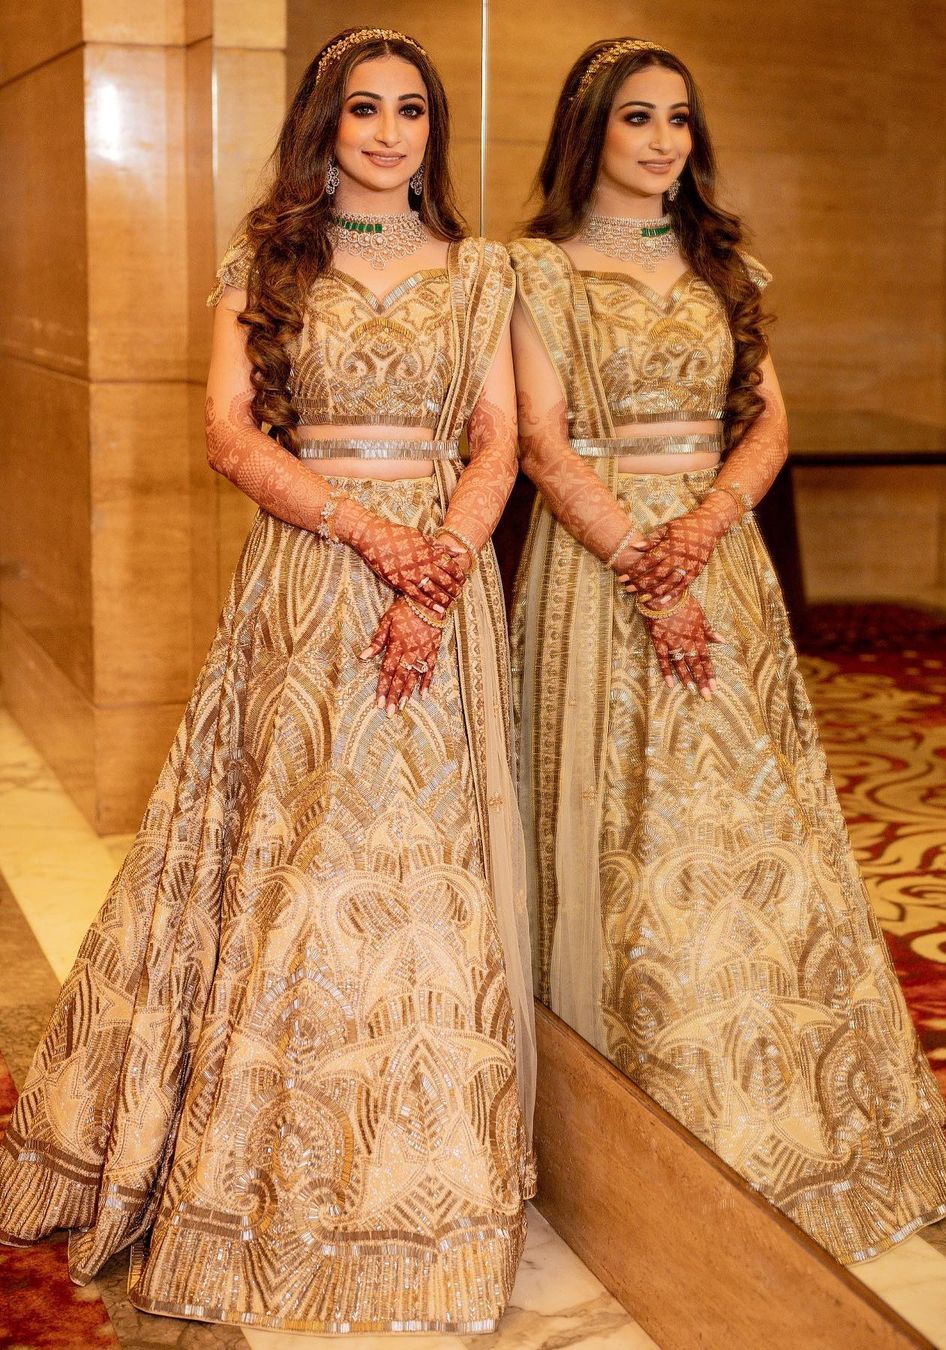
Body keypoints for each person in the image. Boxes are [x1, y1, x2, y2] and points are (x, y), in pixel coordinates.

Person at [0, 28, 535, 1334]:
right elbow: (228, 435)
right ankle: (264, 1155)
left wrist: (440, 566)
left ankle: (418, 1157)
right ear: (327, 121)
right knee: (301, 854)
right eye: (366, 107)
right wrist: (370, 538)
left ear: (433, 130)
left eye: (412, 110)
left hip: (443, 595)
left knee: (424, 864)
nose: (391, 131)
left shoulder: (483, 275)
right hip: (305, 581)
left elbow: (499, 442)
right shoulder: (270, 264)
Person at [508, 36, 946, 1265]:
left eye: (680, 122)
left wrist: (701, 530)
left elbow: (768, 425)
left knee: (743, 819)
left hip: (723, 566)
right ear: (590, 132)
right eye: (639, 120)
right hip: (595, 577)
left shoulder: (721, 265)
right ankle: (609, 1113)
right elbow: (544, 448)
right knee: (618, 819)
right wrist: (642, 561)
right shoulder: (534, 274)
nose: (665, 143)